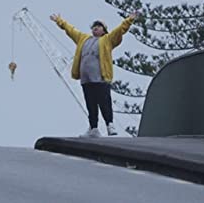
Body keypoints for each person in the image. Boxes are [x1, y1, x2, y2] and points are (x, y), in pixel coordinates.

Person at [50, 10, 138, 138]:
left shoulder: (107, 40)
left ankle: (109, 124)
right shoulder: (83, 39)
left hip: (100, 78)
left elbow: (120, 30)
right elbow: (71, 30)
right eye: (94, 26)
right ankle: (93, 128)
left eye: (99, 26)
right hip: (86, 79)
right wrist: (60, 21)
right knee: (90, 104)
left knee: (104, 102)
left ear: (104, 30)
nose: (95, 28)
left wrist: (129, 20)